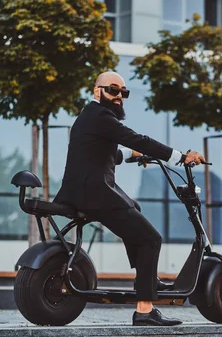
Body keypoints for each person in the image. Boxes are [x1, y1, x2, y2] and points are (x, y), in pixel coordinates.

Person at [53, 71, 205, 327]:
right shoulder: (101, 116)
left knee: (134, 208)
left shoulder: (89, 118)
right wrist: (180, 156)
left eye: (124, 92)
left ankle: (147, 279)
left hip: (84, 190)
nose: (119, 96)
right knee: (150, 238)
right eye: (113, 90)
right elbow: (137, 139)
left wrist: (137, 156)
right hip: (94, 192)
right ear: (97, 91)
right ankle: (145, 310)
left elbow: (106, 151)